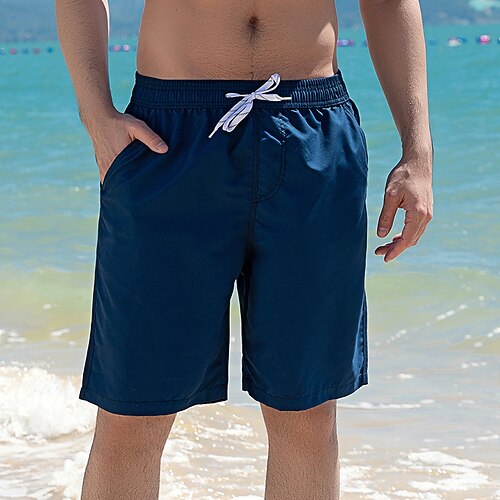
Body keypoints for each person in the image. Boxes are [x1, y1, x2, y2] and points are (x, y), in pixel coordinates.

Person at [55, 0, 433, 498]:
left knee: (307, 412)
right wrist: (96, 114)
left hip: (311, 130)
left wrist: (418, 151)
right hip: (168, 138)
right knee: (132, 412)